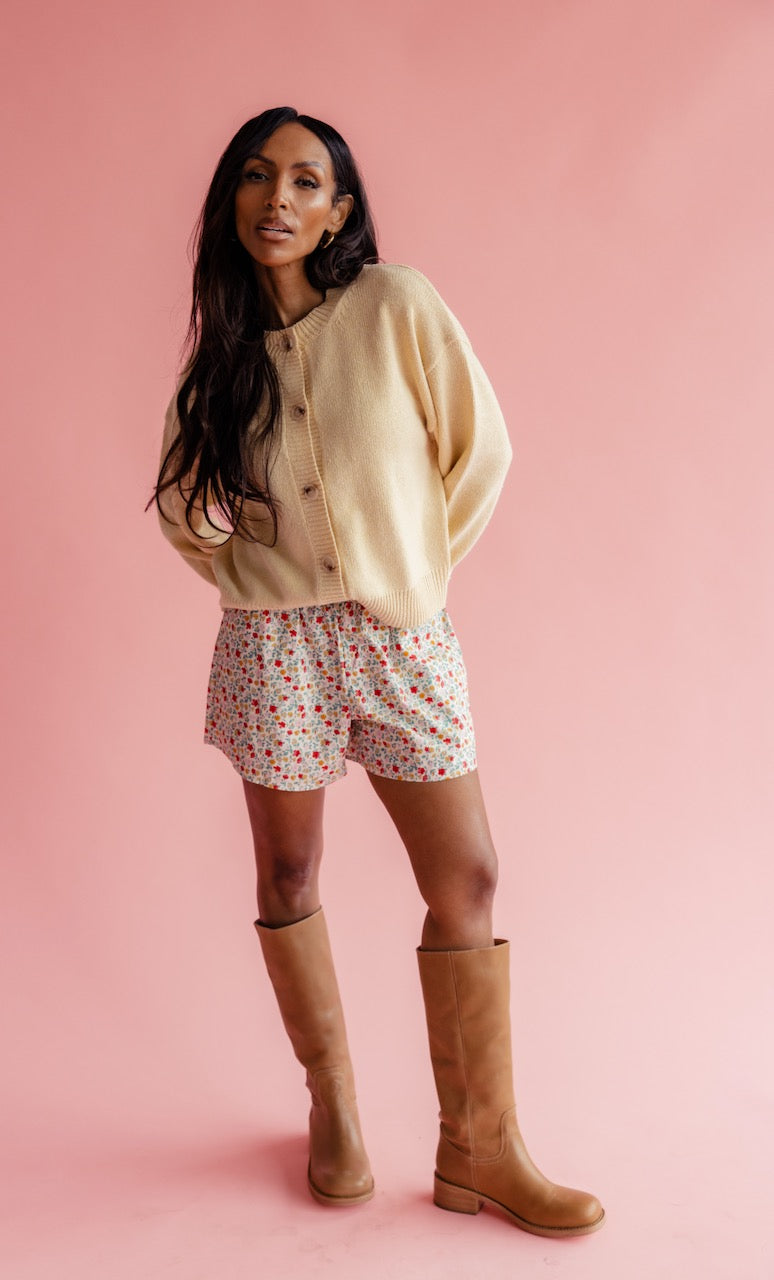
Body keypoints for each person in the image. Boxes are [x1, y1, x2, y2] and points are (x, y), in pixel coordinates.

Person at [150, 106, 604, 1238]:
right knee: (290, 871)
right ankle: (334, 1104)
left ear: (338, 210)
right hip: (273, 648)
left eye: (306, 181)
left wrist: (412, 575)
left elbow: (481, 451)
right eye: (257, 176)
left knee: (468, 877)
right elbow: (177, 502)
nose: (279, 198)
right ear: (232, 200)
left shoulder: (396, 306)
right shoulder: (221, 362)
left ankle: (480, 1147)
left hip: (400, 637)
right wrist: (243, 574)